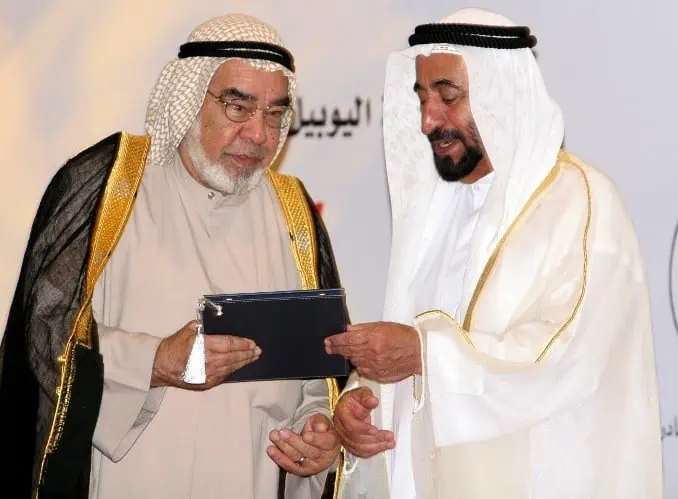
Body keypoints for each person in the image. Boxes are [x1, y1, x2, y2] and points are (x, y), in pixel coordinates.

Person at [0, 13, 345, 499]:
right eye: (237, 107)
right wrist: (155, 360)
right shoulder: (109, 185)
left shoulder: (293, 210)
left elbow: (320, 371)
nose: (259, 135)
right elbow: (43, 337)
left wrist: (318, 430)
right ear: (188, 97)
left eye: (274, 114)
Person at [327, 7, 663, 499]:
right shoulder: (434, 212)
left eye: (448, 97)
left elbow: (566, 357)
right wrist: (364, 401)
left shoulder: (581, 202)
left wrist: (422, 353)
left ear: (503, 93)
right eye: (421, 98)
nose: (428, 121)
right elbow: (417, 366)